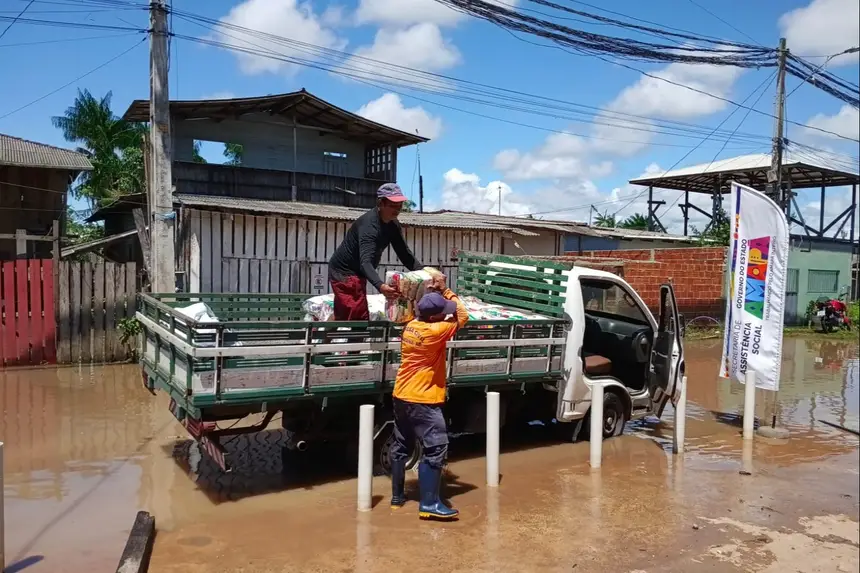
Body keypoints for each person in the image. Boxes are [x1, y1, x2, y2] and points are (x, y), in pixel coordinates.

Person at [389, 275, 469, 520]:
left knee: (401, 445)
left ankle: (397, 497)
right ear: (435, 317)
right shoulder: (437, 332)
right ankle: (429, 504)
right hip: (424, 399)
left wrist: (433, 293)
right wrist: (446, 290)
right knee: (436, 448)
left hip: (401, 394)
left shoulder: (411, 326)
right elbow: (463, 315)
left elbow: (433, 310)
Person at [328, 183, 421, 320]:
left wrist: (424, 272)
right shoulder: (369, 227)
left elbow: (404, 254)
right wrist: (381, 286)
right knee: (358, 316)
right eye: (393, 206)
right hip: (344, 272)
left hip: (357, 272)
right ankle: (356, 339)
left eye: (399, 206)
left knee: (346, 313)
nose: (397, 210)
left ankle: (324, 335)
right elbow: (365, 263)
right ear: (381, 203)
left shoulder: (393, 225)